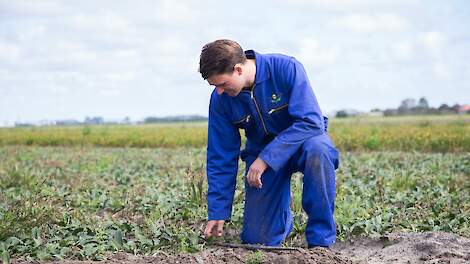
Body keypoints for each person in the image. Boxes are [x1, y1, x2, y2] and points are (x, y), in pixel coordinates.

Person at [199, 39, 339, 248]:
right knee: (258, 241)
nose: (218, 91)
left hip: (304, 143)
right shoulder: (221, 100)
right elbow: (221, 155)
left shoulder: (286, 68)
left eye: (221, 84)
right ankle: (280, 222)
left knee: (319, 151)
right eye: (214, 86)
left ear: (238, 69)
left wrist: (267, 158)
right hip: (260, 152)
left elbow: (311, 122)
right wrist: (218, 210)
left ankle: (321, 240)